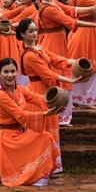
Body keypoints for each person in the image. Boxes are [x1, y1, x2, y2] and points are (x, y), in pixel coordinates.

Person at [0, 57, 64, 187]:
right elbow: (20, 115)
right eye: (6, 72)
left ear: (17, 72)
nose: (10, 75)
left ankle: (37, 177)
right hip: (6, 139)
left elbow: (39, 99)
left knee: (46, 137)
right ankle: (32, 177)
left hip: (18, 134)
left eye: (13, 71)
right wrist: (46, 114)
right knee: (44, 137)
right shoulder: (0, 95)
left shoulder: (20, 90)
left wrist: (55, 99)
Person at [18, 17, 86, 150]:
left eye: (36, 30)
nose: (34, 34)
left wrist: (75, 62)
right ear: (22, 34)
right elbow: (47, 75)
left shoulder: (39, 48)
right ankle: (40, 161)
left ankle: (51, 161)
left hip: (48, 89)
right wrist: (70, 80)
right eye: (31, 31)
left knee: (50, 121)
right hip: (38, 90)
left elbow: (55, 59)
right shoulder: (29, 56)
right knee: (43, 123)